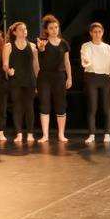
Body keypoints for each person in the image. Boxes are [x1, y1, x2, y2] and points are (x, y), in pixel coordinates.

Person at [35, 14, 72, 144]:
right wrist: (41, 48)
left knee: (61, 105)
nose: (54, 30)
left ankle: (61, 134)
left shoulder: (64, 43)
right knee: (44, 104)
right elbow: (40, 53)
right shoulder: (41, 42)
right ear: (46, 30)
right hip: (45, 77)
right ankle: (45, 135)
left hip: (60, 76)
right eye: (51, 28)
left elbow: (67, 62)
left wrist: (69, 78)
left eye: (56, 27)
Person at [79, 22, 110, 145]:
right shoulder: (86, 46)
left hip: (105, 78)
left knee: (106, 107)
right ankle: (91, 134)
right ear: (90, 33)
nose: (97, 34)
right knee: (92, 107)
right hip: (91, 77)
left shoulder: (107, 47)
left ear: (102, 32)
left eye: (99, 32)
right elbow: (85, 60)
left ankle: (107, 133)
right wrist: (87, 62)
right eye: (94, 32)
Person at [3, 22, 39, 144]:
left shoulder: (33, 46)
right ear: (14, 32)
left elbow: (36, 66)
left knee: (29, 106)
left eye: (25, 29)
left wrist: (38, 81)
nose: (24, 31)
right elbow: (5, 64)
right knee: (17, 106)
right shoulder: (8, 46)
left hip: (29, 80)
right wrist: (8, 70)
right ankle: (19, 133)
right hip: (16, 80)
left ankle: (30, 133)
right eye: (21, 29)